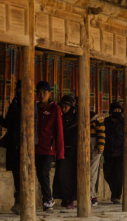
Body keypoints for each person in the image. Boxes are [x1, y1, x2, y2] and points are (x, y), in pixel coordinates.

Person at [0, 80, 23, 215]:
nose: (17, 90)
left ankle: (24, 202)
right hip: (15, 144)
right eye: (18, 88)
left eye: (19, 88)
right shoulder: (15, 104)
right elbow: (7, 123)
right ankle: (19, 202)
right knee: (17, 173)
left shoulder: (32, 105)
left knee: (24, 173)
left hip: (26, 144)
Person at [35, 81, 64, 211]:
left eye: (44, 93)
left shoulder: (54, 109)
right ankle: (47, 199)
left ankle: (48, 199)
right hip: (36, 146)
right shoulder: (34, 108)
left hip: (49, 148)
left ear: (49, 93)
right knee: (39, 174)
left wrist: (60, 152)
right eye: (39, 93)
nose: (41, 95)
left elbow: (59, 131)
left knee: (43, 172)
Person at [53, 95, 78, 209]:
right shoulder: (60, 119)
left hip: (74, 151)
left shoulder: (77, 119)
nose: (63, 109)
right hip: (62, 150)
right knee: (61, 176)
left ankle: (71, 199)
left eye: (66, 107)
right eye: (62, 107)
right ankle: (64, 197)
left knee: (72, 176)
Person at [103, 102, 124, 204]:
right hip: (108, 152)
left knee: (118, 175)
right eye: (115, 110)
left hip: (120, 153)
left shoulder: (124, 122)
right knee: (107, 174)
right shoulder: (106, 122)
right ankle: (114, 191)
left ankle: (117, 196)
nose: (117, 112)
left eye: (119, 111)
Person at [89, 110, 105, 206]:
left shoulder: (96, 118)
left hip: (94, 149)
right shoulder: (76, 117)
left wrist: (101, 147)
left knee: (91, 173)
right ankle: (91, 195)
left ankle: (91, 195)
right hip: (82, 149)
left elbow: (101, 133)